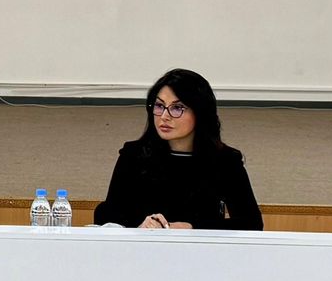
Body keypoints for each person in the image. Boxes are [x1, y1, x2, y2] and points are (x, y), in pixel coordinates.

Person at [92, 68, 262, 230]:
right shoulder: (133, 155)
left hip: (200, 249)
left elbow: (251, 223)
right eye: (159, 106)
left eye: (177, 108)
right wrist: (140, 225)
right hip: (143, 247)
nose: (164, 116)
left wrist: (192, 227)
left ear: (200, 112)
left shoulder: (225, 161)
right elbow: (106, 214)